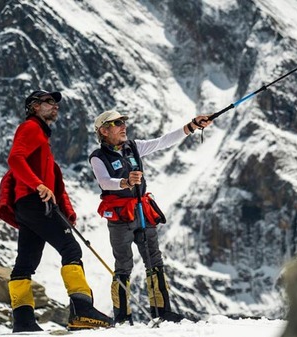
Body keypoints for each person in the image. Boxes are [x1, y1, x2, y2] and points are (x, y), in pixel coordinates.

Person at [0, 90, 113, 332]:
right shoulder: (30, 128)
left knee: (25, 263)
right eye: (49, 102)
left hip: (26, 205)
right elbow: (15, 159)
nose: (55, 106)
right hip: (35, 201)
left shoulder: (40, 135)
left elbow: (51, 177)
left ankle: (23, 321)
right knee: (70, 248)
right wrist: (38, 184)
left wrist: (66, 210)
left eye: (55, 103)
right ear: (34, 107)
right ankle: (82, 311)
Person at [88, 110, 213, 324]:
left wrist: (192, 125)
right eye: (117, 123)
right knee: (124, 264)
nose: (123, 126)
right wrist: (126, 182)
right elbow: (104, 182)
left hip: (141, 210)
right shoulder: (98, 157)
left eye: (124, 121)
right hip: (120, 217)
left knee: (154, 259)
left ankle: (162, 312)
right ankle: (122, 317)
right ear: (103, 130)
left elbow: (164, 141)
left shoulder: (133, 147)